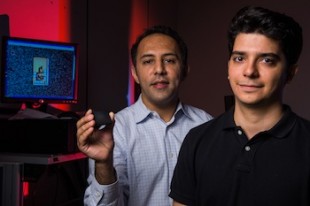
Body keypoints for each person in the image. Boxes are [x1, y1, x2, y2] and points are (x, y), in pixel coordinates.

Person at [169, 6, 309, 206]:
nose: (249, 71)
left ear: (291, 73)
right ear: (229, 67)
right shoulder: (197, 141)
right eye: (239, 58)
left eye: (267, 60)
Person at [76, 25, 213, 206]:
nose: (159, 70)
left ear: (185, 70)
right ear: (135, 73)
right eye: (148, 61)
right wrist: (103, 164)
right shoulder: (117, 131)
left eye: (170, 60)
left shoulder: (207, 126)